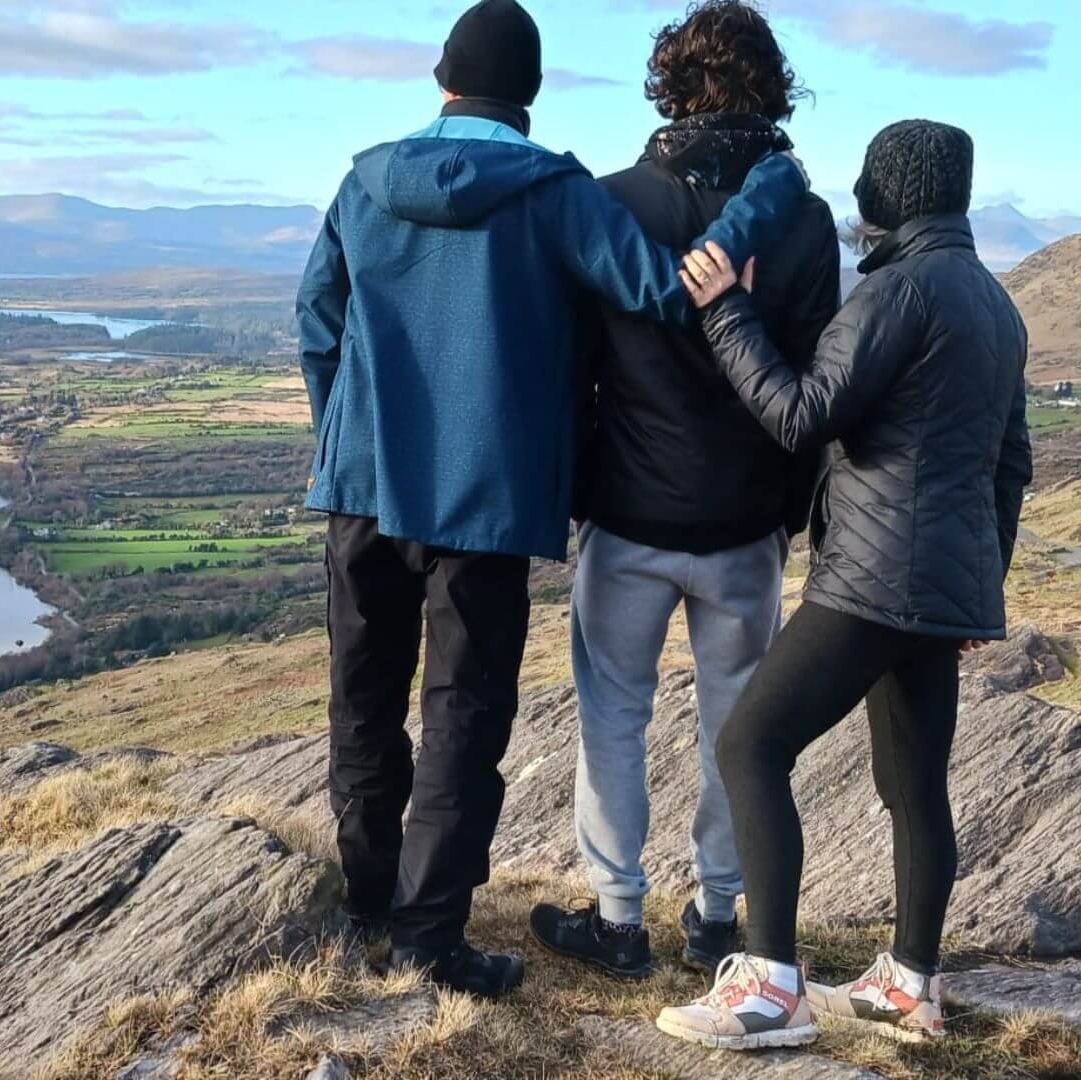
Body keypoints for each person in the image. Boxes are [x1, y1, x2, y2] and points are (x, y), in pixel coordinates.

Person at [298, 0, 806, 999]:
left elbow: (318, 320)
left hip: (362, 487)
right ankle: (429, 938)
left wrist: (347, 442)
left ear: (443, 78)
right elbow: (671, 290)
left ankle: (366, 907)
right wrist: (768, 195)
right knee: (463, 716)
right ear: (529, 95)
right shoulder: (554, 192)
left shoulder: (363, 182)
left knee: (362, 702)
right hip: (482, 502)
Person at [657, 120, 1032, 1050]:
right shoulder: (996, 303)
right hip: (940, 587)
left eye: (871, 176)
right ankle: (910, 986)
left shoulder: (896, 290)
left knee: (751, 745)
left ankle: (770, 986)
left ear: (894, 190)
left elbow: (799, 413)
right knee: (914, 788)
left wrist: (725, 312)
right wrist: (978, 584)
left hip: (871, 575)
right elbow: (1010, 465)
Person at [529, 0, 841, 980]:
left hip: (627, 515)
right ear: (771, 88)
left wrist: (579, 489)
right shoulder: (807, 219)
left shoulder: (615, 201)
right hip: (747, 522)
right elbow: (815, 382)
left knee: (612, 711)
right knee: (737, 723)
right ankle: (717, 917)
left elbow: (571, 368)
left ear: (671, 84)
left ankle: (619, 921)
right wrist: (789, 511)